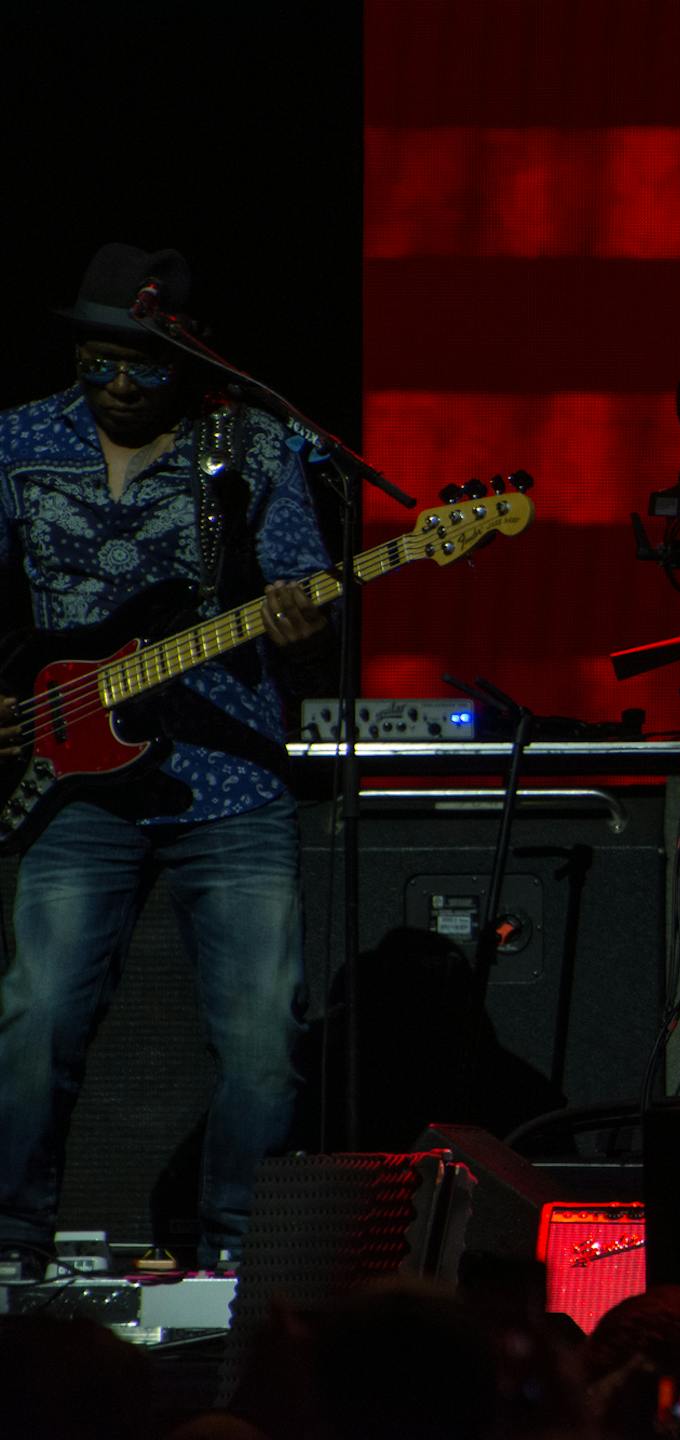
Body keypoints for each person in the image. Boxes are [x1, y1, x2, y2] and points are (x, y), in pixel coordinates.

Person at [0, 242, 333, 1271]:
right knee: (34, 1024)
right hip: (70, 783)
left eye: (141, 364)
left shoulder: (260, 447)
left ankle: (241, 1263)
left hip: (231, 791)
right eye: (98, 359)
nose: (116, 384)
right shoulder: (17, 443)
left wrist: (296, 621)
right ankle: (11, 1251)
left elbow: (302, 590)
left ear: (186, 360)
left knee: (262, 1048)